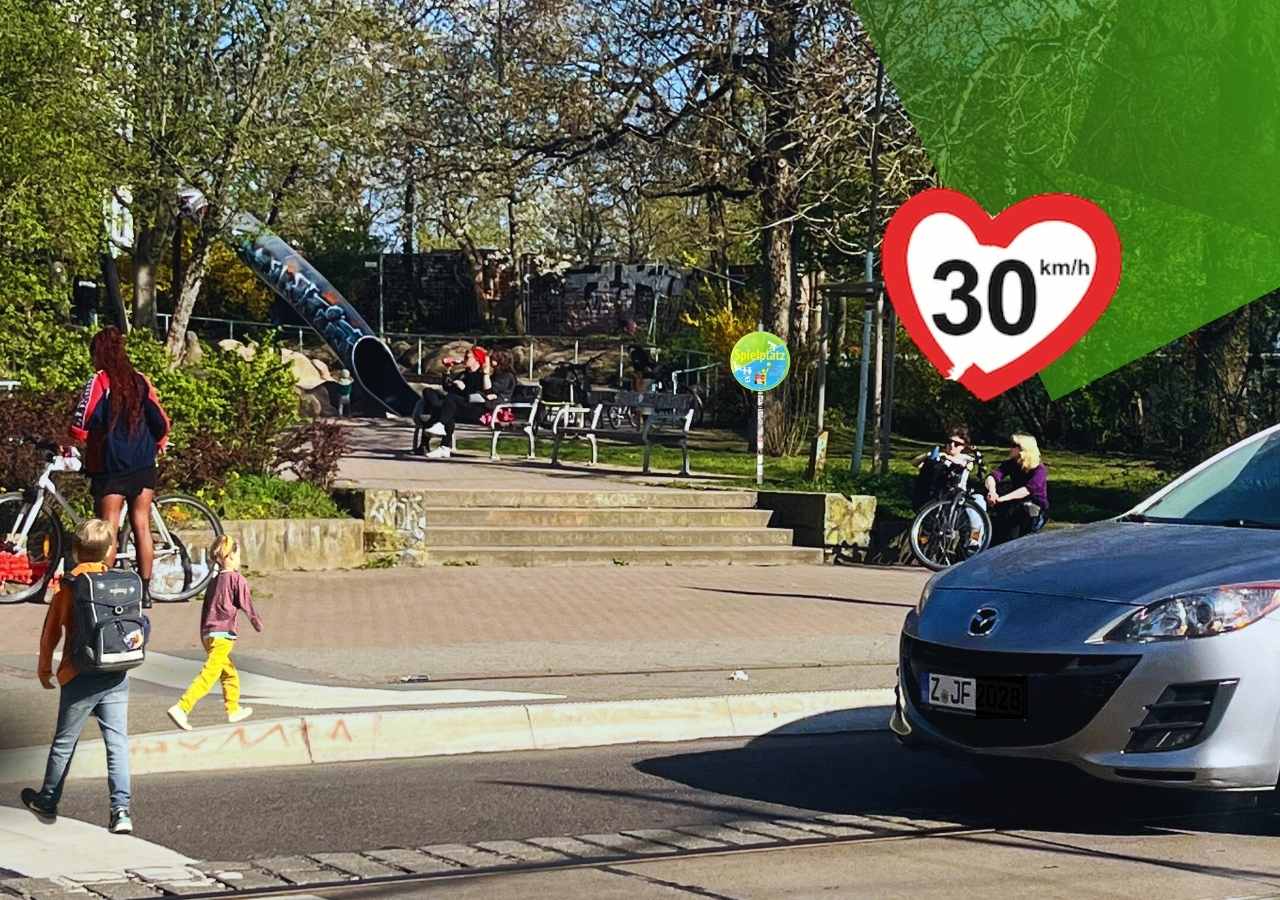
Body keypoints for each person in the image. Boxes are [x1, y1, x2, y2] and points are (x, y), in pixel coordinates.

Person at [22, 519, 136, 834]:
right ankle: (121, 811)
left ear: (74, 551)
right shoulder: (119, 583)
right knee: (117, 744)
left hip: (78, 674)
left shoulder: (69, 588)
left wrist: (45, 669)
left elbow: (50, 635)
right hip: (115, 672)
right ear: (111, 551)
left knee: (64, 742)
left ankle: (48, 800)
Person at [70, 327, 171, 608]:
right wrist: (157, 442)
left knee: (109, 528)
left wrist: (78, 439)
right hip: (143, 464)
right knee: (141, 524)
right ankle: (147, 591)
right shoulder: (140, 381)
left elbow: (81, 422)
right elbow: (161, 420)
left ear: (99, 354)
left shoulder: (100, 381)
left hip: (111, 465)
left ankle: (103, 588)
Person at [166, 534, 262, 731]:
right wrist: (257, 623)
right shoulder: (237, 579)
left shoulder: (214, 581)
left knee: (229, 673)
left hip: (208, 634)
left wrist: (204, 633)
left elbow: (207, 607)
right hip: (223, 635)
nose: (239, 560)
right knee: (210, 674)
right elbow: (247, 605)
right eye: (238, 555)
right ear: (231, 556)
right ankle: (182, 707)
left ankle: (233, 709)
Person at [414, 346, 492, 459]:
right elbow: (447, 388)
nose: (464, 359)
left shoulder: (481, 376)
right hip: (454, 405)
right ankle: (439, 440)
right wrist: (448, 370)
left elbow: (480, 396)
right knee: (429, 392)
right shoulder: (464, 373)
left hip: (471, 408)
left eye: (467, 356)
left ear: (477, 359)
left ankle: (431, 443)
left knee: (448, 403)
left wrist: (463, 389)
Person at [985, 432, 1050, 544]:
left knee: (1018, 515)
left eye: (1013, 445)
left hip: (1034, 510)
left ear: (1023, 449)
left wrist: (1002, 499)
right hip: (1014, 504)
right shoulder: (1011, 463)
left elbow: (1027, 490)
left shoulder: (1039, 470)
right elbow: (992, 476)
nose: (1010, 448)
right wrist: (992, 491)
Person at [910, 424, 974, 512]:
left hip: (955, 493)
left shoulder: (967, 458)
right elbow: (914, 463)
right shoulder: (939, 455)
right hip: (934, 491)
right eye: (949, 442)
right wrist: (928, 455)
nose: (952, 445)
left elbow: (965, 465)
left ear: (963, 446)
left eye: (957, 444)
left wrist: (947, 457)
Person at [621, 319, 657, 392]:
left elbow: (644, 347)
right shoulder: (628, 340)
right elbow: (630, 351)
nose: (636, 327)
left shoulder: (638, 338)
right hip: (637, 367)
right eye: (633, 326)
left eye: (635, 325)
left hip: (642, 364)